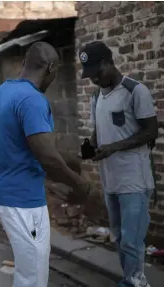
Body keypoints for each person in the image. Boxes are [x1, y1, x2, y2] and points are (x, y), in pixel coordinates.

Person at [0, 42, 91, 287]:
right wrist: (79, 184)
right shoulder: (32, 99)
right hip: (23, 200)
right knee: (33, 274)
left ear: (25, 63)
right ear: (51, 68)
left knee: (26, 268)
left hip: (4, 192)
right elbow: (47, 156)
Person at [80, 41, 157, 287]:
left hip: (134, 179)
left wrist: (113, 147)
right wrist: (90, 145)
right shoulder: (96, 96)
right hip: (110, 179)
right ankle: (131, 280)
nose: (94, 79)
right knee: (119, 237)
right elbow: (99, 130)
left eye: (97, 73)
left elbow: (151, 131)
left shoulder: (136, 91)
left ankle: (135, 282)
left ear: (108, 62)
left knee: (131, 240)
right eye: (90, 76)